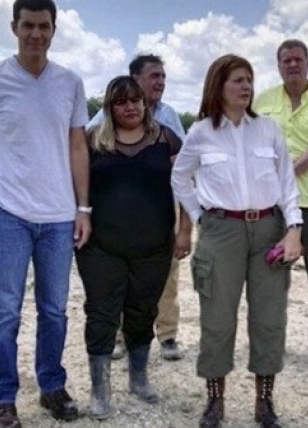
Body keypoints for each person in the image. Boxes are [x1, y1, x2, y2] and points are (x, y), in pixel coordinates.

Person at [0, 0, 90, 426]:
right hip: (8, 213)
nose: (36, 33)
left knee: (55, 308)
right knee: (6, 309)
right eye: (28, 25)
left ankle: (52, 386)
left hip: (58, 216)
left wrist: (83, 207)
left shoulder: (70, 82)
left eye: (44, 26)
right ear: (14, 27)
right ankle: (3, 396)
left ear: (54, 29)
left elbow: (77, 145)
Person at [172, 54, 302, 428]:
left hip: (268, 231)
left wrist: (294, 228)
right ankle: (215, 401)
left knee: (268, 319)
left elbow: (287, 184)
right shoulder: (200, 133)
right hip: (221, 232)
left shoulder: (269, 129)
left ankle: (265, 402)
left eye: (249, 80)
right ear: (218, 86)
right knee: (217, 319)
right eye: (237, 80)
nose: (246, 87)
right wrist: (201, 219)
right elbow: (180, 179)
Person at [78, 76, 192, 419]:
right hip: (101, 246)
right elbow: (76, 185)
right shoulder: (92, 140)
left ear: (145, 103)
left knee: (143, 312)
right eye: (121, 102)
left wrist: (185, 229)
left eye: (135, 101)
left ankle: (138, 379)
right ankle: (100, 390)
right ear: (110, 108)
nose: (129, 107)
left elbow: (186, 185)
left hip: (154, 245)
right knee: (101, 315)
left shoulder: (166, 139)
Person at [88, 54, 187, 361]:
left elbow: (182, 166)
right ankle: (119, 336)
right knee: (119, 278)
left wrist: (185, 222)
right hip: (118, 214)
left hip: (161, 207)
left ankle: (168, 334)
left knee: (167, 273)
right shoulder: (101, 122)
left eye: (163, 77)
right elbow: (88, 152)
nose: (160, 82)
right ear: (135, 78)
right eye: (154, 76)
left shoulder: (169, 117)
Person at [255, 38, 308, 367]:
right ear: (278, 65)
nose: (292, 64)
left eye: (298, 59)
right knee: (274, 275)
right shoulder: (262, 102)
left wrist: (287, 173)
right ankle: (272, 338)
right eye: (286, 60)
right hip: (273, 206)